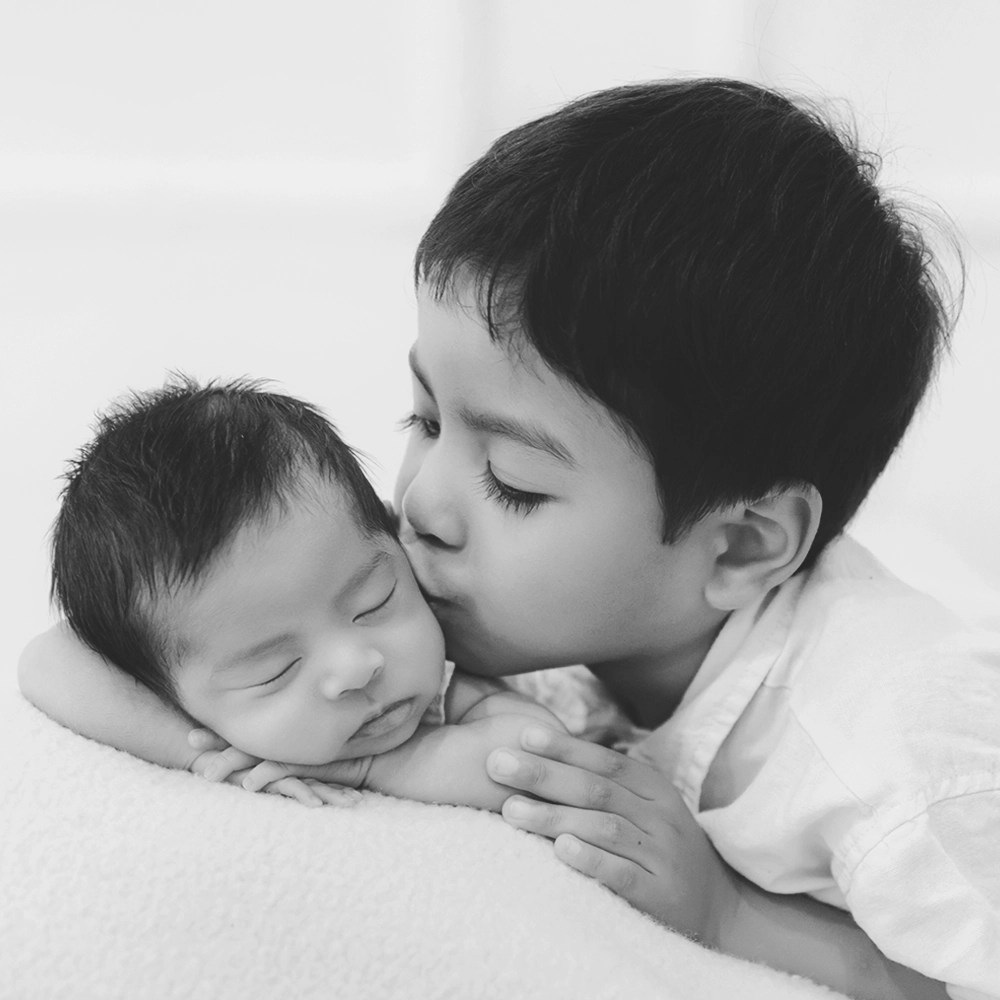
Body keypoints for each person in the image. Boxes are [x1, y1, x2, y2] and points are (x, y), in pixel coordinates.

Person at [19, 78, 1000, 999]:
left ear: (739, 549)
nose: (423, 504)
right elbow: (71, 652)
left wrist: (734, 916)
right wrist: (213, 749)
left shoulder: (904, 756)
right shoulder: (443, 604)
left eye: (513, 481)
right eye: (424, 420)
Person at [27, 376, 564, 811]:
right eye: (275, 670)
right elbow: (46, 660)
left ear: (393, 536)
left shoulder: (452, 680)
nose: (357, 668)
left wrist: (367, 767)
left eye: (374, 603)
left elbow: (534, 756)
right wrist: (199, 753)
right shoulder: (197, 679)